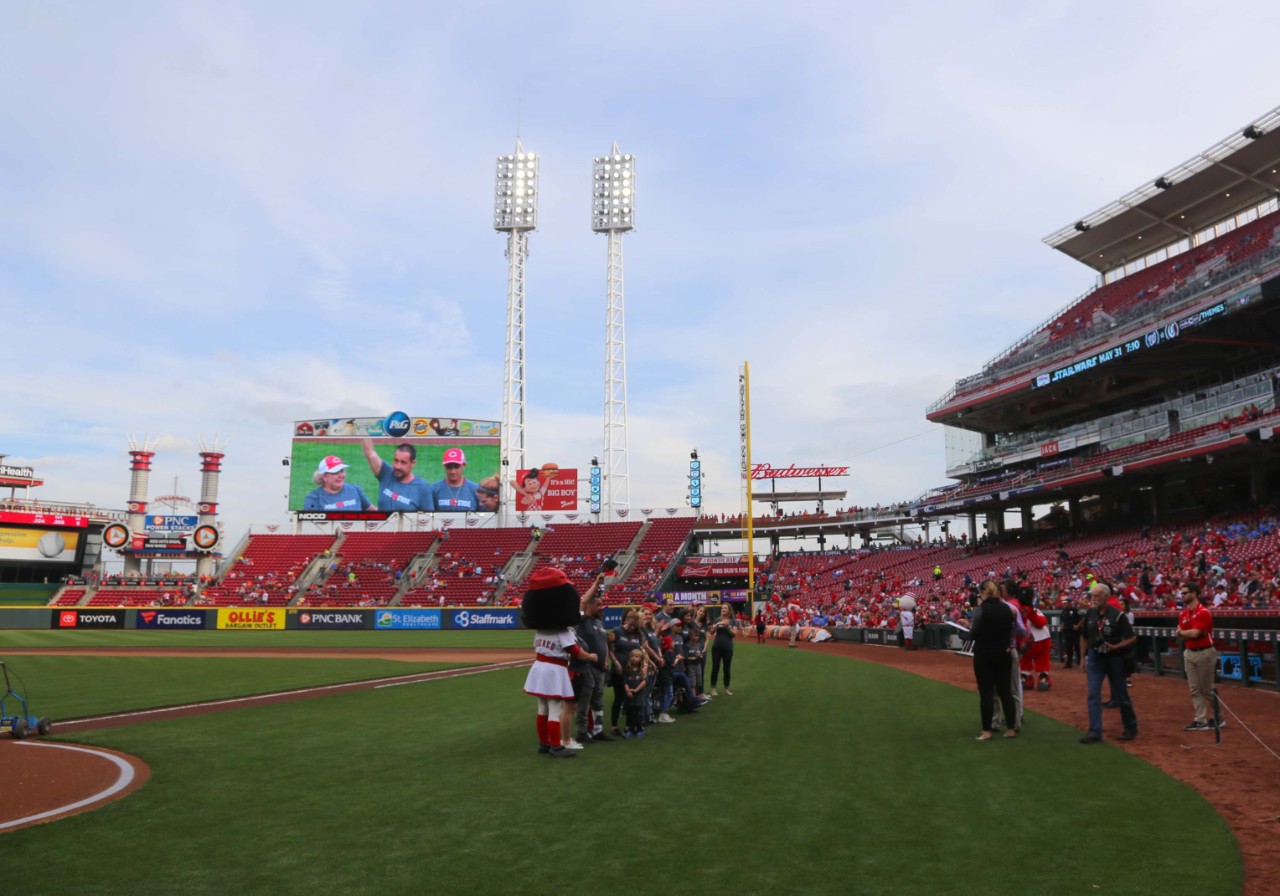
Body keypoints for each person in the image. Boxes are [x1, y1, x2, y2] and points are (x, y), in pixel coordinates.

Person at [521, 567, 598, 759]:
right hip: (554, 669)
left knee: (542, 709)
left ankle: (544, 743)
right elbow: (576, 653)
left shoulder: (540, 631)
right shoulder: (563, 632)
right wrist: (592, 657)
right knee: (555, 709)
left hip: (539, 667)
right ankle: (556, 746)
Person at [1080, 583, 1139, 744]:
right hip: (1095, 657)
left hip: (1114, 657)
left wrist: (1115, 646)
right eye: (1092, 596)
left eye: (1096, 596)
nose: (1093, 599)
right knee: (1093, 694)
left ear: (1106, 596)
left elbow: (1132, 637)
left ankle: (1130, 727)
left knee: (1121, 695)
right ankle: (1094, 731)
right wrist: (1082, 658)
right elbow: (1084, 636)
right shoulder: (1090, 614)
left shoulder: (1117, 615)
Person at [961, 579, 1019, 740]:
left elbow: (974, 633)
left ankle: (987, 731)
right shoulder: (1007, 609)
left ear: (984, 592)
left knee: (986, 693)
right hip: (1003, 653)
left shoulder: (981, 610)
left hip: (984, 654)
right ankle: (1011, 729)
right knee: (1005, 692)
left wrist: (962, 633)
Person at [573, 578, 614, 743]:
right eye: (598, 605)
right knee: (584, 700)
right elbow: (582, 602)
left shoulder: (598, 621)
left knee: (598, 700)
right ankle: (582, 732)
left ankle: (598, 730)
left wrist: (605, 660)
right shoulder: (582, 620)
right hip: (586, 666)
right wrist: (596, 584)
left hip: (600, 668)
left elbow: (603, 641)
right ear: (589, 606)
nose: (601, 608)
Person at [1176, 583, 1221, 731]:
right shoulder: (1183, 614)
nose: (1182, 596)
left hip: (1205, 652)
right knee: (1194, 689)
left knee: (1207, 688)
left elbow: (1194, 634)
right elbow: (1181, 635)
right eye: (1181, 593)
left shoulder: (1204, 612)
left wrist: (1184, 632)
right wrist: (1187, 633)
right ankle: (1200, 719)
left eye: (1185, 593)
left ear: (1194, 594)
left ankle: (1218, 718)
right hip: (1189, 652)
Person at [360, 439, 435, 511]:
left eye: (403, 462)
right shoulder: (386, 473)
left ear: (413, 463)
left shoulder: (423, 488)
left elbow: (428, 518)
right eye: (396, 461)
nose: (397, 466)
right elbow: (370, 453)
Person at [302, 456, 373, 511]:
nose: (340, 476)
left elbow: (371, 509)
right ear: (324, 477)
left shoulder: (355, 490)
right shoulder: (314, 498)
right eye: (335, 472)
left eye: (341, 471)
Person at [708, 604, 735, 696]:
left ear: (729, 610)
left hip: (728, 647)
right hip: (717, 647)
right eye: (722, 608)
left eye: (725, 608)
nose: (723, 609)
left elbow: (734, 634)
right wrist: (714, 628)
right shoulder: (717, 620)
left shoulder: (732, 621)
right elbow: (711, 632)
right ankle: (713, 688)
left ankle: (726, 689)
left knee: (727, 669)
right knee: (715, 668)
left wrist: (727, 627)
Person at [1060, 597, 1082, 669]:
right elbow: (1063, 620)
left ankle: (1079, 663)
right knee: (1068, 648)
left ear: (1069, 603)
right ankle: (1069, 663)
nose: (1064, 604)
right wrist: (1062, 626)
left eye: (1066, 603)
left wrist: (1077, 626)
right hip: (1067, 631)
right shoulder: (1064, 611)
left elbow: (1082, 619)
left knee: (1077, 646)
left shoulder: (1075, 610)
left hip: (1075, 631)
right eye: (1064, 603)